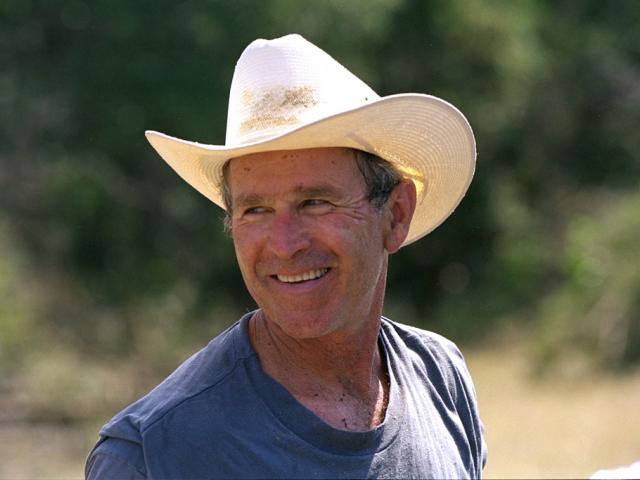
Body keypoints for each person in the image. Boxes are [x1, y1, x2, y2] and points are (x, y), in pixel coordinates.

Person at [85, 33, 486, 479]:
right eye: (255, 210)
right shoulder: (152, 455)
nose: (284, 243)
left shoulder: (439, 377)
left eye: (315, 202)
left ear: (395, 215)